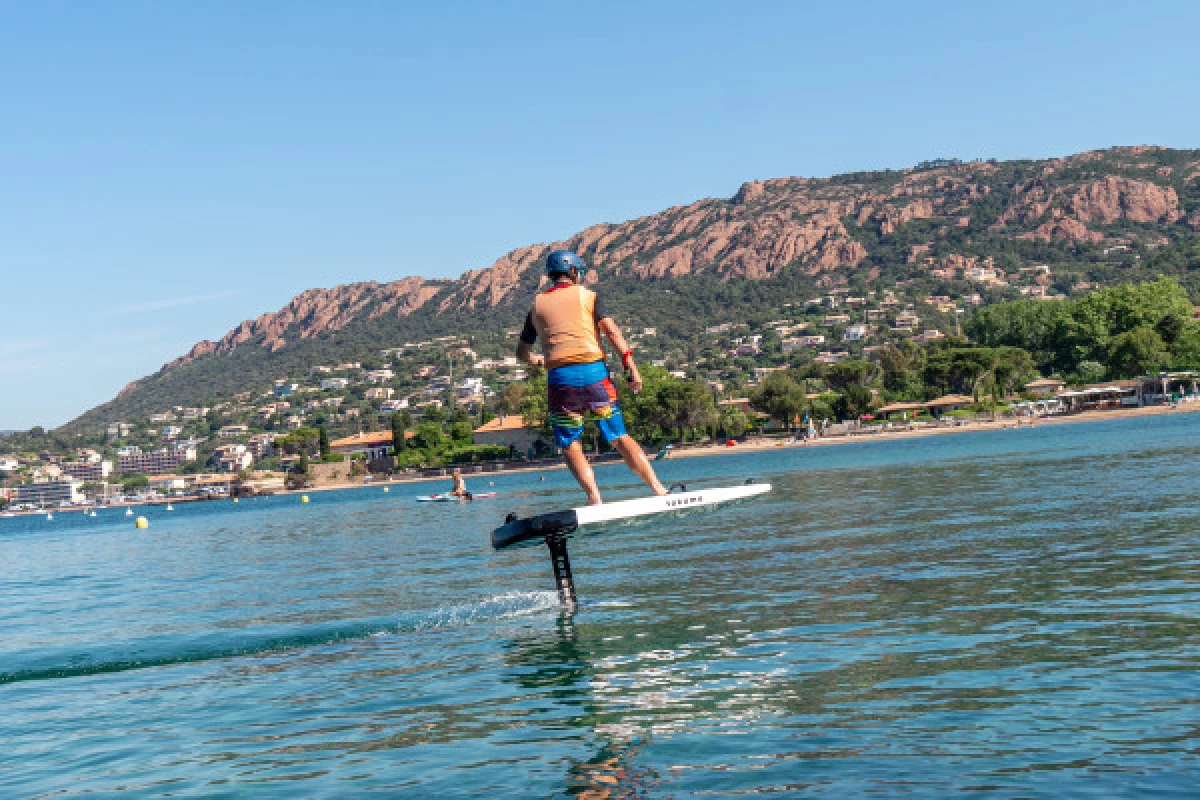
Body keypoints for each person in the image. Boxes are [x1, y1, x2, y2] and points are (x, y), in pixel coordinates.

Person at [517, 249, 667, 505]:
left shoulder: (536, 306)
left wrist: (539, 360)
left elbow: (522, 353)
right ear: (574, 272)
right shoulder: (589, 297)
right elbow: (612, 333)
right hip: (594, 375)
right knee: (619, 435)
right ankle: (658, 490)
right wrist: (631, 367)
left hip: (560, 381)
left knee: (571, 444)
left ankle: (594, 498)